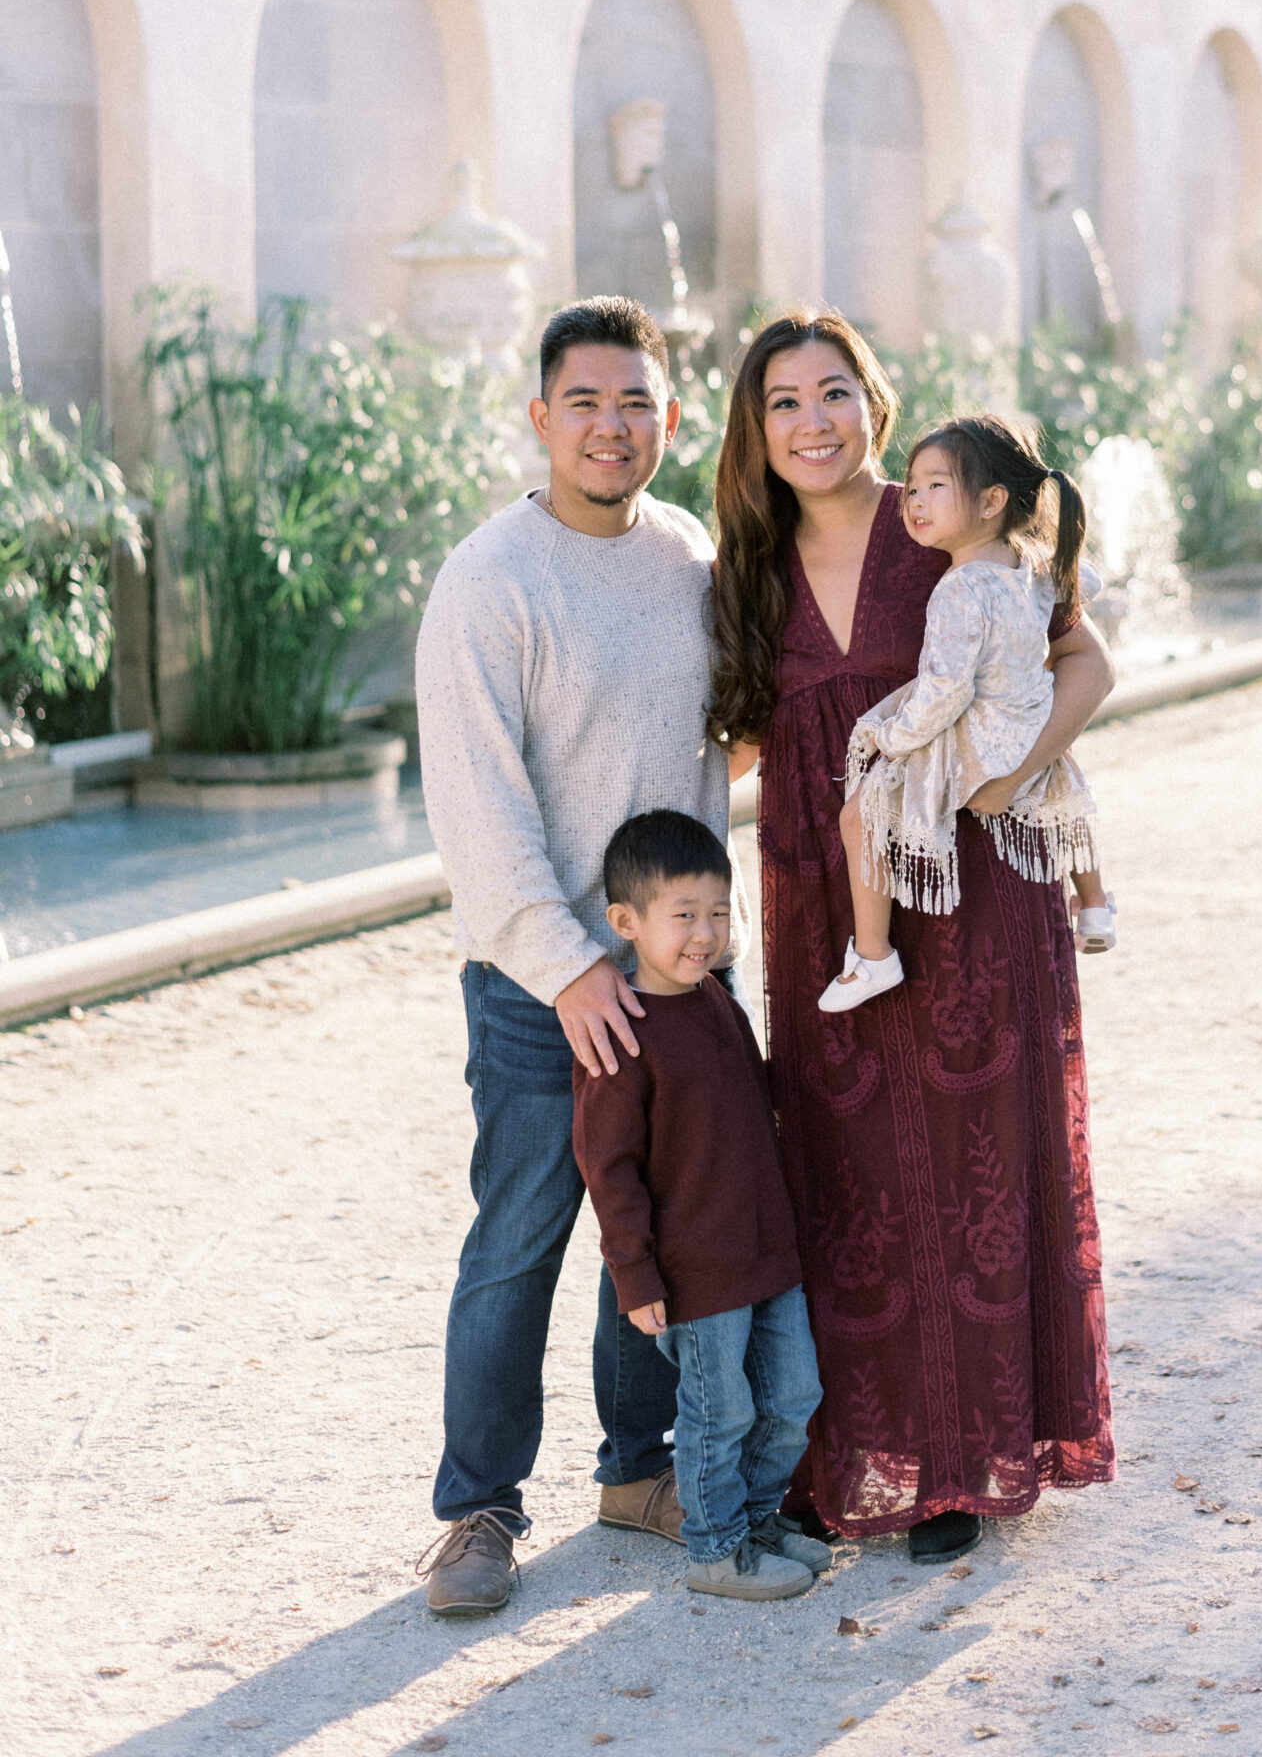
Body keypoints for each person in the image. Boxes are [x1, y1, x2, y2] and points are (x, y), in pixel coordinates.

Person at [708, 311, 1117, 1566]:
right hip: (820, 894)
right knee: (847, 1172)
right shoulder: (745, 565)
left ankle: (963, 1462)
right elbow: (725, 739)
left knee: (974, 1158)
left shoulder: (937, 519)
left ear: (873, 405)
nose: (811, 420)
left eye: (833, 392)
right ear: (754, 427)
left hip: (970, 884)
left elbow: (1085, 665)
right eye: (783, 401)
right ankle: (852, 1454)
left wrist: (1011, 778)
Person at [413, 296, 750, 1617]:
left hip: (675, 981)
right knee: (521, 1240)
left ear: (670, 418)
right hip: (536, 989)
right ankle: (478, 1508)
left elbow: (715, 749)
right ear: (540, 418)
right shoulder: (492, 581)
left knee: (656, 1238)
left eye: (637, 405)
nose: (612, 427)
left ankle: (638, 1470)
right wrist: (569, 968)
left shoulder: (686, 557)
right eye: (586, 403)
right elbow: (477, 812)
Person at [575, 809, 826, 1602]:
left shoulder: (717, 1001)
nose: (704, 933)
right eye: (683, 916)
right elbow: (607, 1170)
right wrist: (635, 1278)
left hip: (766, 1254)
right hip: (695, 1274)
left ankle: (752, 1520)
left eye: (718, 913)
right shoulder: (623, 1035)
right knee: (719, 1414)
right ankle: (715, 1549)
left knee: (792, 1398)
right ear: (625, 922)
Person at [824, 414, 1113, 1012]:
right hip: (1033, 718)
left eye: (936, 485)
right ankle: (1095, 906)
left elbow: (945, 690)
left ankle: (872, 955)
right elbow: (1086, 579)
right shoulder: (1030, 564)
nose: (915, 501)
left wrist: (894, 739)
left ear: (991, 501)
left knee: (860, 815)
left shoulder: (959, 588)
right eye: (912, 486)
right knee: (1064, 789)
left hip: (981, 736)